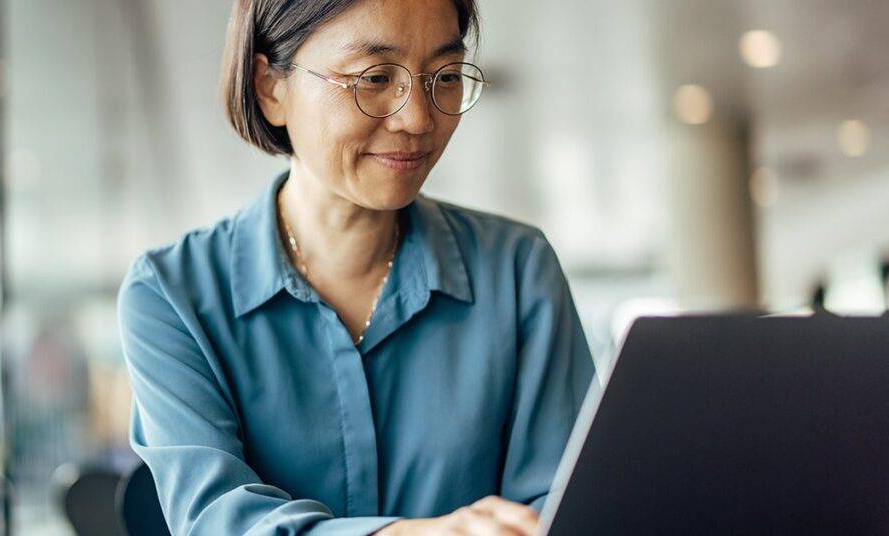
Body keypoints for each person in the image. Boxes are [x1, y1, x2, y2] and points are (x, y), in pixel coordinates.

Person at [117, 0, 596, 534]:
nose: (418, 118)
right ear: (270, 87)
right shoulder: (172, 294)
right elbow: (215, 519)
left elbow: (567, 502)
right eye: (373, 77)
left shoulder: (516, 271)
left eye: (444, 75)